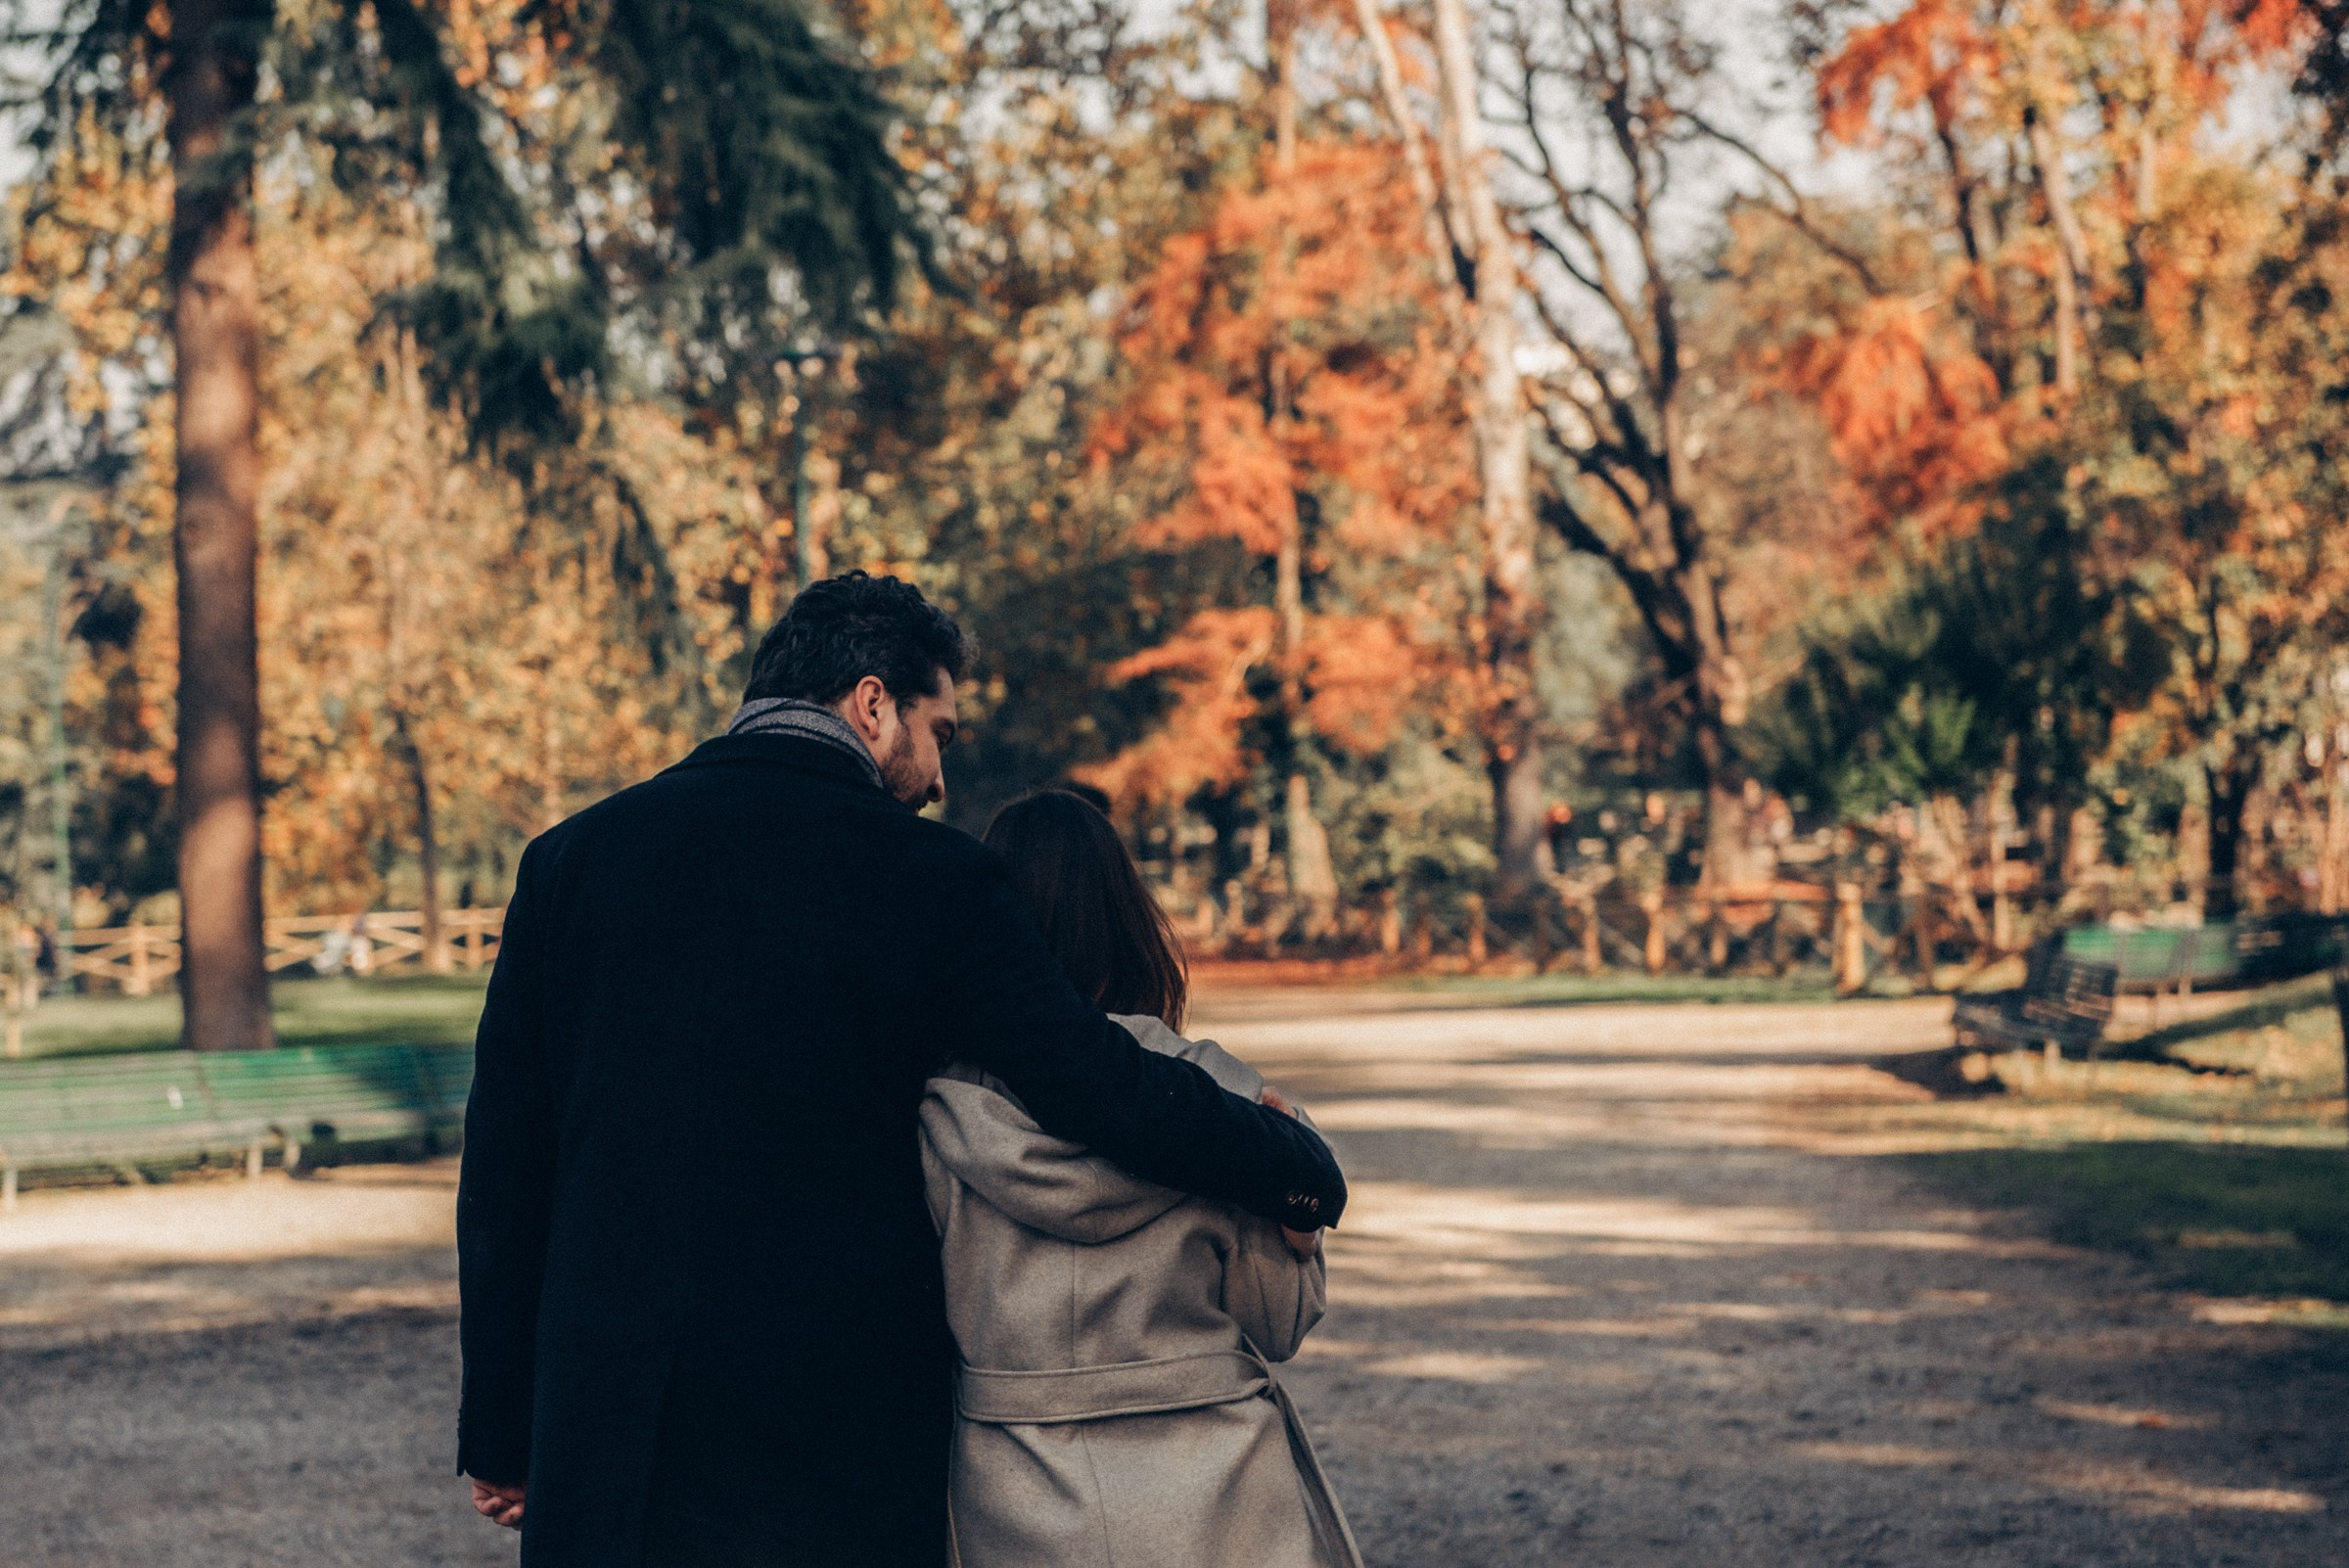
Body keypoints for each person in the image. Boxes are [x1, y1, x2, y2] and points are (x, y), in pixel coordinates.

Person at [456, 573, 1346, 1568]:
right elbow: (1092, 1081)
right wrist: (1287, 1157)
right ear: (873, 705)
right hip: (827, 1428)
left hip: (612, 1423)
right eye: (942, 734)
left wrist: (502, 1430)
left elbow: (506, 1165)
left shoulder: (572, 860)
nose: (937, 780)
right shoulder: (931, 879)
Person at [923, 790, 1363, 1568]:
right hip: (1217, 1484)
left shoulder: (942, 1112)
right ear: (1127, 918)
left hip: (1012, 1489)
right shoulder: (1214, 1095)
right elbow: (1278, 1323)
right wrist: (1297, 1237)